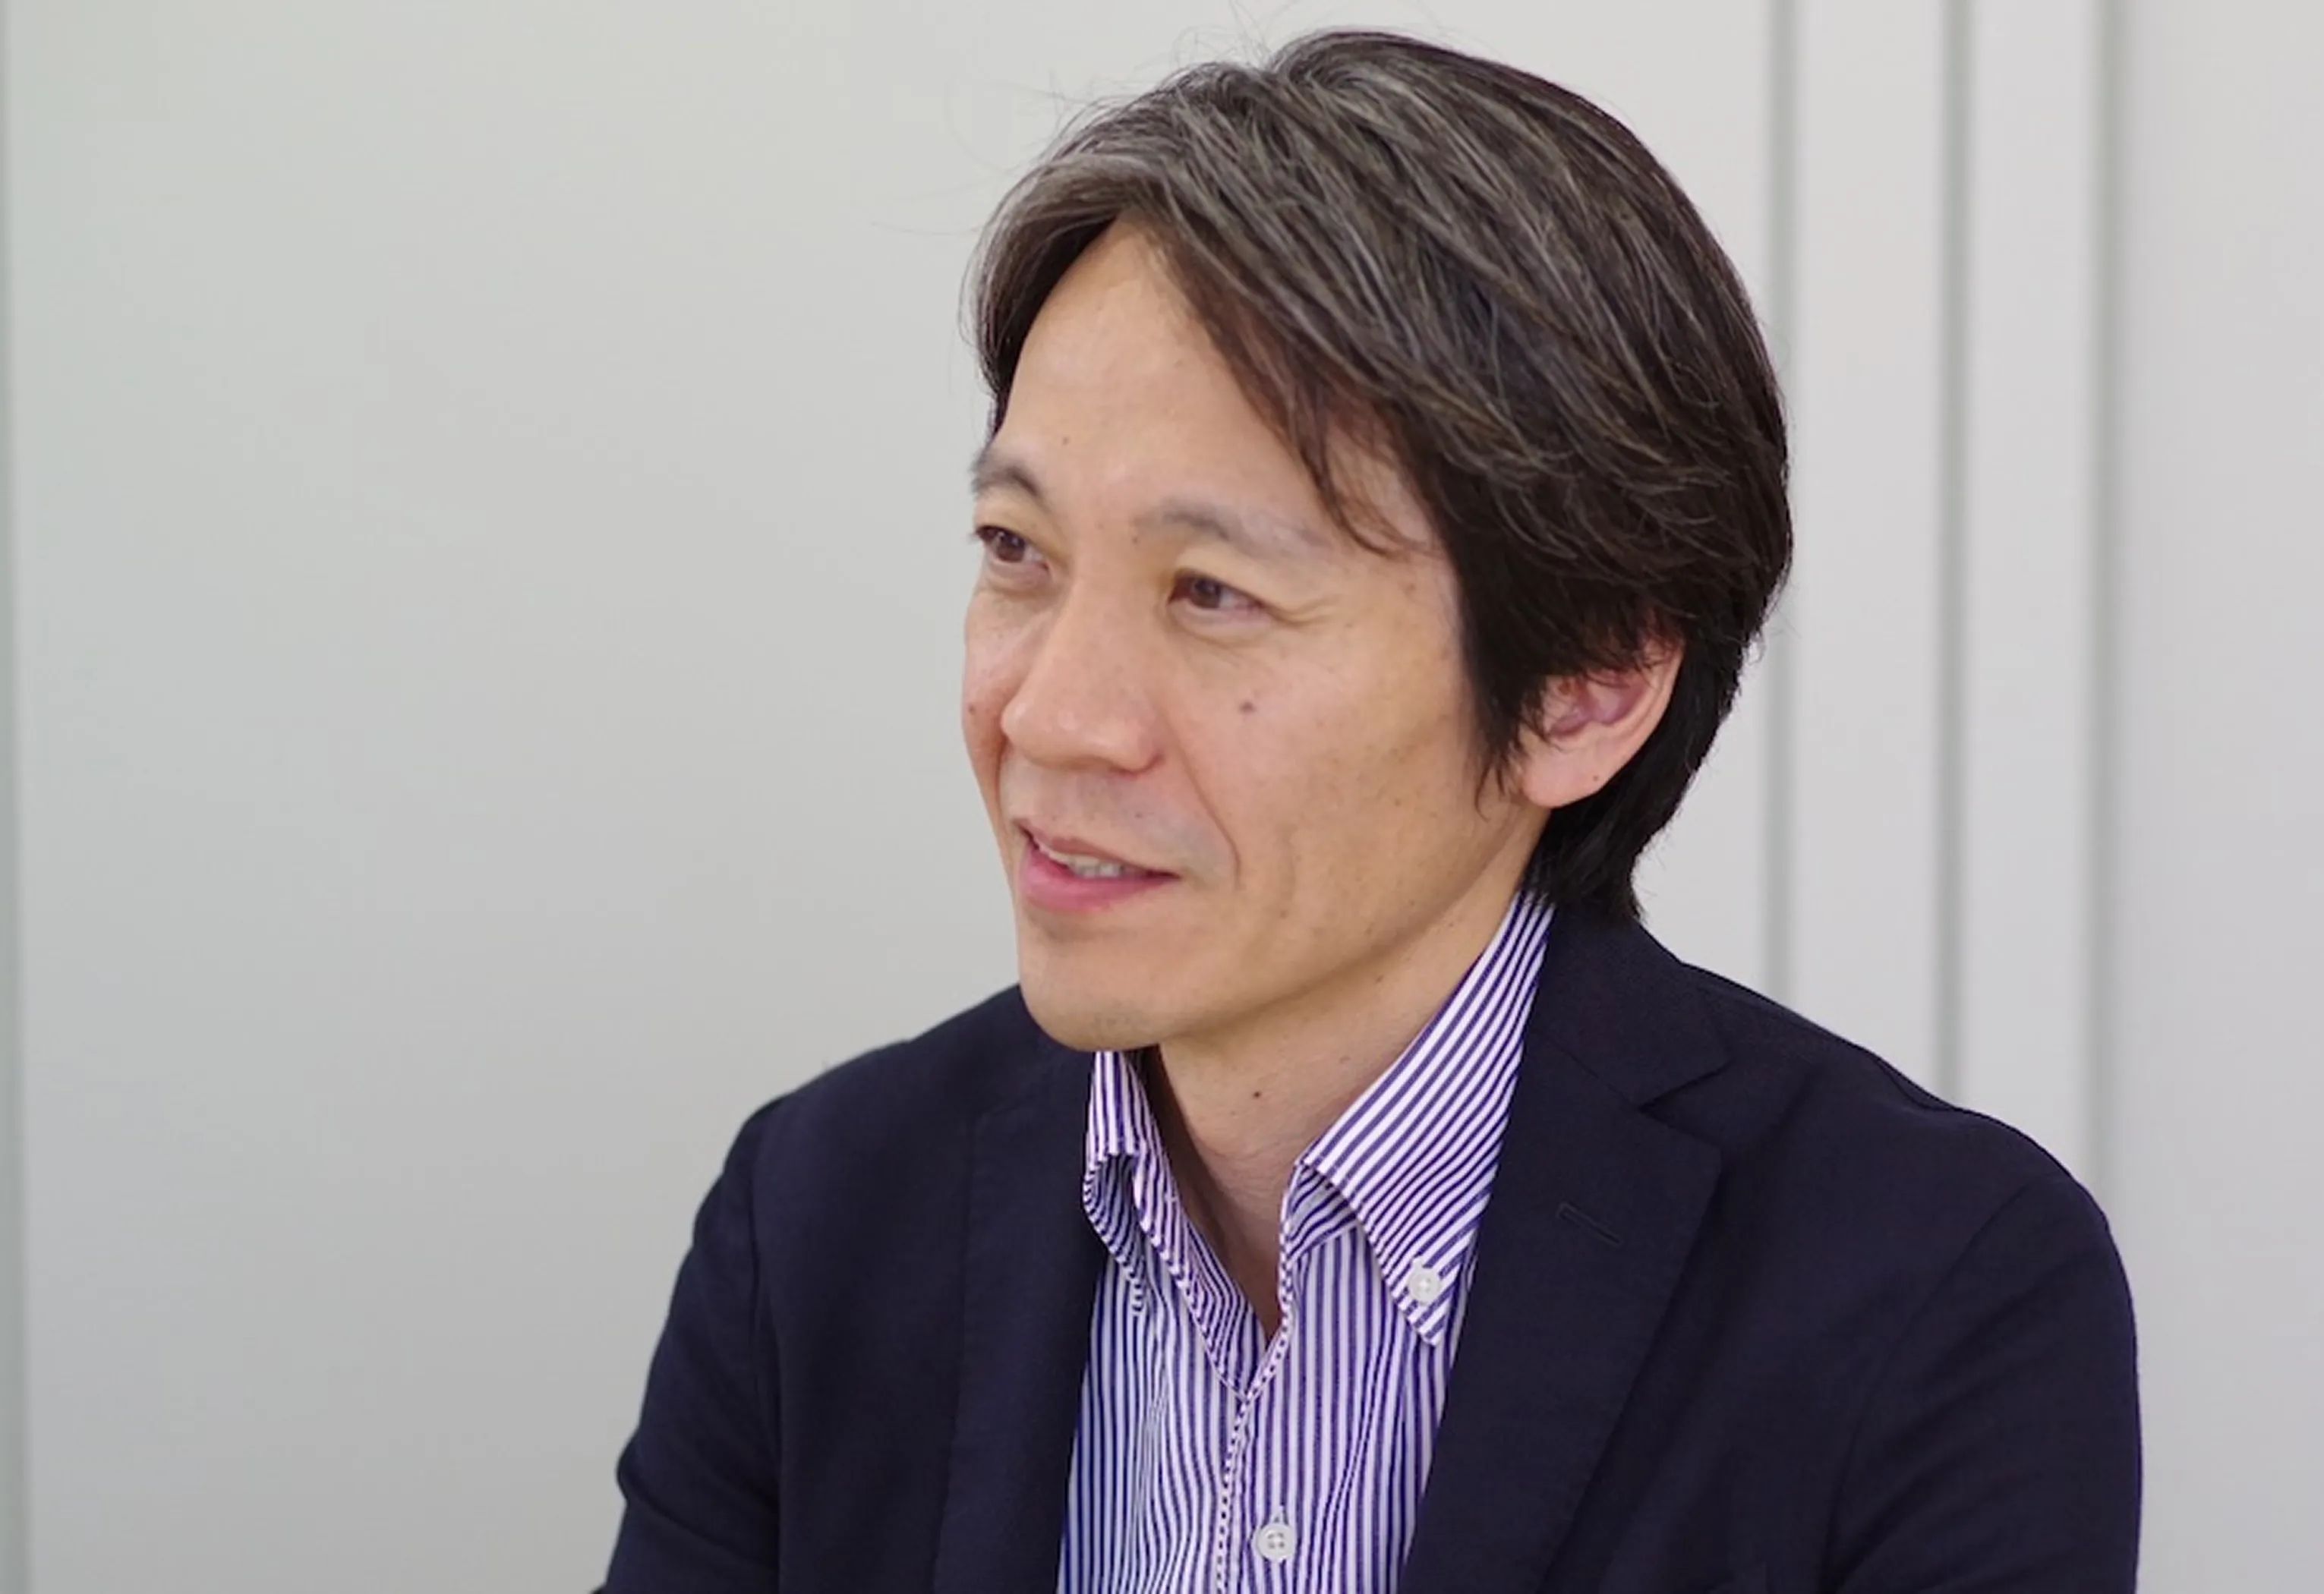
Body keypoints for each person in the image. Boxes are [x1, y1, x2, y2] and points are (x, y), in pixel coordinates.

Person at [603, 29, 2138, 1593]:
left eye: (1212, 592)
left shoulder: (1929, 1298)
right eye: (1017, 551)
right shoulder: (820, 1218)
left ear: (1587, 688)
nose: (1049, 718)